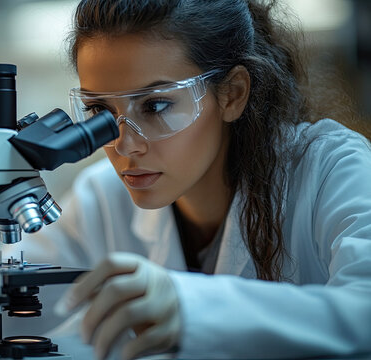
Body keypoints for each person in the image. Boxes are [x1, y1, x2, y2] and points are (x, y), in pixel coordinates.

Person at [20, 0, 371, 358]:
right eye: (99, 111)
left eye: (155, 105)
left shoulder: (330, 168)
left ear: (232, 94)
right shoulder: (101, 197)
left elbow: (364, 315)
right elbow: (8, 307)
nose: (125, 145)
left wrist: (191, 307)